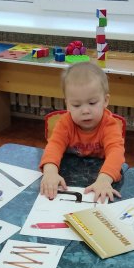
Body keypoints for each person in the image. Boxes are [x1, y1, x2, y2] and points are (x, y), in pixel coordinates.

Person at [39, 61, 126, 203]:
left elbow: (116, 153)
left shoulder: (109, 125)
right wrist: (50, 172)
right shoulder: (65, 123)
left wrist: (104, 180)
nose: (85, 110)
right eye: (76, 105)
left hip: (100, 173)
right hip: (70, 174)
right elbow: (54, 147)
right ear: (67, 104)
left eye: (92, 103)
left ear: (105, 100)